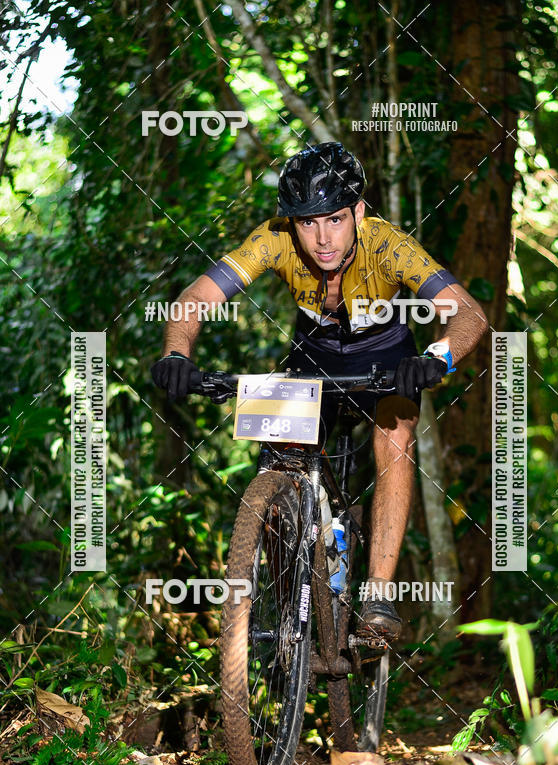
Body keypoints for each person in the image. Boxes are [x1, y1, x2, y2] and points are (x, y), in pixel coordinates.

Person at [151, 141, 488, 641]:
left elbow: (470, 313)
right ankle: (289, 600)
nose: (322, 238)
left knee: (394, 435)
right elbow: (196, 298)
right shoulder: (273, 239)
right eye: (308, 223)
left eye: (334, 218)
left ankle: (377, 595)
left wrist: (435, 358)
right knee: (277, 452)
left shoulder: (388, 244)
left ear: (357, 210)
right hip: (313, 351)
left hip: (386, 354)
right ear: (292, 222)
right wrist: (177, 354)